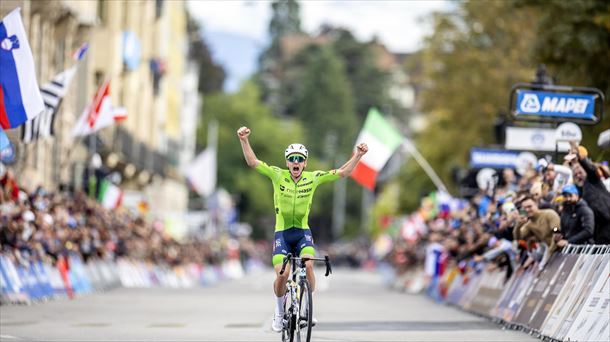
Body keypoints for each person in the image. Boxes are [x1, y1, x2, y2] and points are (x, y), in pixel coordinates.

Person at [236, 126, 369, 332]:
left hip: (302, 233)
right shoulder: (277, 175)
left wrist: (358, 155)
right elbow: (253, 163)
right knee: (282, 274)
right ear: (286, 162)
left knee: (308, 265)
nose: (296, 162)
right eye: (292, 159)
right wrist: (244, 140)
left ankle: (307, 307)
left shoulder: (313, 177)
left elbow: (343, 172)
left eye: (299, 159)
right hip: (282, 233)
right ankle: (279, 313)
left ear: (305, 163)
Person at [566, 141, 610, 244]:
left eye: (580, 172)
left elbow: (589, 167)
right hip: (598, 230)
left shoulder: (593, 180)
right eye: (575, 174)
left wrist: (577, 152)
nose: (578, 175)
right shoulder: (576, 192)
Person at [513, 196, 560, 269]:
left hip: (560, 249)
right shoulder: (529, 224)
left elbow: (556, 230)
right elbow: (517, 237)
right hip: (549, 251)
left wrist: (550, 251)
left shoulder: (549, 214)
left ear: (536, 204)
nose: (528, 210)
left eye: (529, 206)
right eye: (525, 208)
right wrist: (518, 225)